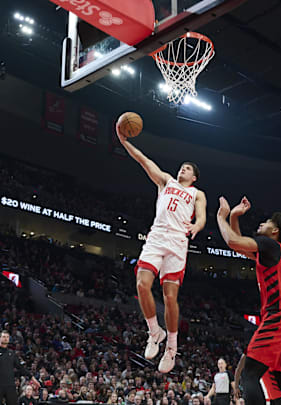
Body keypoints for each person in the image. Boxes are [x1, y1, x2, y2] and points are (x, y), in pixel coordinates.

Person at [115, 125, 207, 373]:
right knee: (142, 284)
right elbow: (144, 160)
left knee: (169, 297)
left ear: (194, 177)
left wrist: (197, 226)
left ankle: (172, 348)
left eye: (187, 168)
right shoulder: (166, 180)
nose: (182, 169)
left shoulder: (197, 193)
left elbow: (201, 217)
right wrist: (124, 141)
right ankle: (155, 332)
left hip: (178, 241)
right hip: (157, 236)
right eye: (182, 167)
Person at [216, 196, 281, 405]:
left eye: (266, 222)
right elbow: (238, 246)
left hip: (277, 317)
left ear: (275, 231)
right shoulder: (273, 251)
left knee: (250, 373)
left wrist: (221, 217)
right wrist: (234, 216)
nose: (261, 224)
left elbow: (232, 241)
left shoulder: (269, 245)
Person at [0, 331, 40, 405]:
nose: (6, 339)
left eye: (7, 337)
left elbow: (20, 367)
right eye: (4, 337)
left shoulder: (11, 353)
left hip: (10, 385)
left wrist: (32, 378)